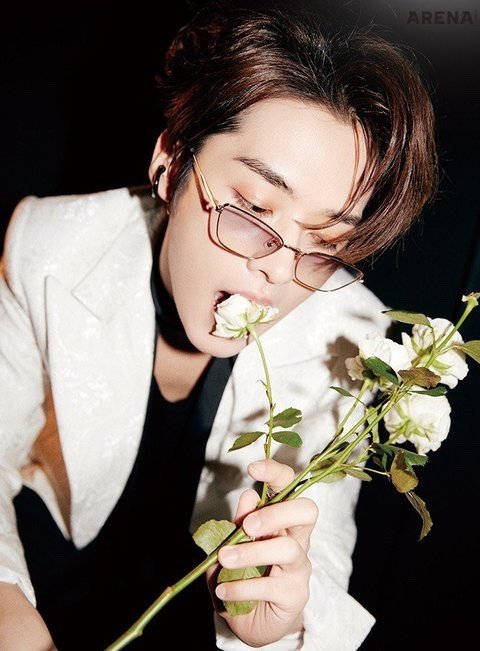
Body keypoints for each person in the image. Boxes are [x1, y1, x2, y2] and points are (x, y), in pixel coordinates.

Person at [0, 2, 437, 649]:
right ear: (172, 161)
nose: (280, 270)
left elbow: (321, 545)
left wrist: (283, 622)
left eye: (324, 243)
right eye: (254, 208)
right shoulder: (51, 249)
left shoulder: (348, 333)